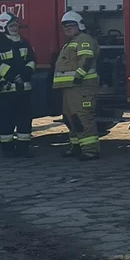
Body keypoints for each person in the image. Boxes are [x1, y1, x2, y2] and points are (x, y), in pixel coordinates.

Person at [54, 11, 101, 160]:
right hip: (70, 88)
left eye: (70, 26)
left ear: (79, 26)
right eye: (65, 27)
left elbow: (87, 59)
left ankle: (91, 150)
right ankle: (76, 146)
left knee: (82, 117)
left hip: (82, 87)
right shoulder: (71, 42)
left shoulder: (84, 39)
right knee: (70, 118)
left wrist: (78, 76)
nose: (67, 29)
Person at [0, 12, 37, 157]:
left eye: (16, 25)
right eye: (11, 26)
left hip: (24, 89)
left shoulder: (24, 42)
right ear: (3, 27)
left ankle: (23, 149)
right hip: (7, 90)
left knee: (25, 119)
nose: (15, 28)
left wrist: (26, 74)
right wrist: (12, 76)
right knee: (6, 120)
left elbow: (32, 59)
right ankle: (8, 149)